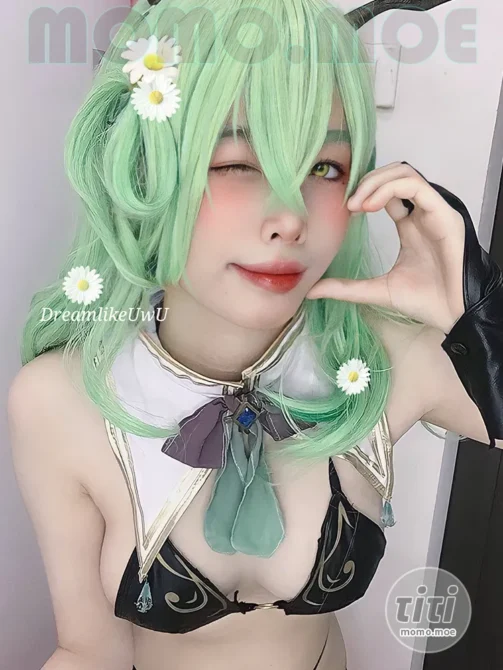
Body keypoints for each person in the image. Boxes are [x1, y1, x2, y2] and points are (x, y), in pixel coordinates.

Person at [7, 0, 503, 669]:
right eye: (239, 163)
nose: (291, 219)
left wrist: (476, 312)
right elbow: (87, 650)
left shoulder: (383, 357)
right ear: (146, 170)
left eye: (324, 169)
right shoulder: (58, 400)